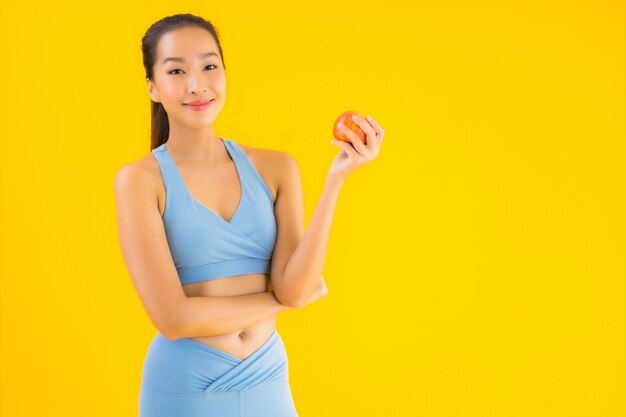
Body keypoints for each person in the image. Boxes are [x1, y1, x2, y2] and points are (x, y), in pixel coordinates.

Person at [114, 13, 385, 417]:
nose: (196, 84)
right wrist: (285, 304)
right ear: (152, 87)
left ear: (225, 72)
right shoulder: (138, 180)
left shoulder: (277, 168)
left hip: (267, 378)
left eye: (209, 66)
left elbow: (294, 286)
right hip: (185, 387)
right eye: (176, 70)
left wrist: (336, 181)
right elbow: (173, 319)